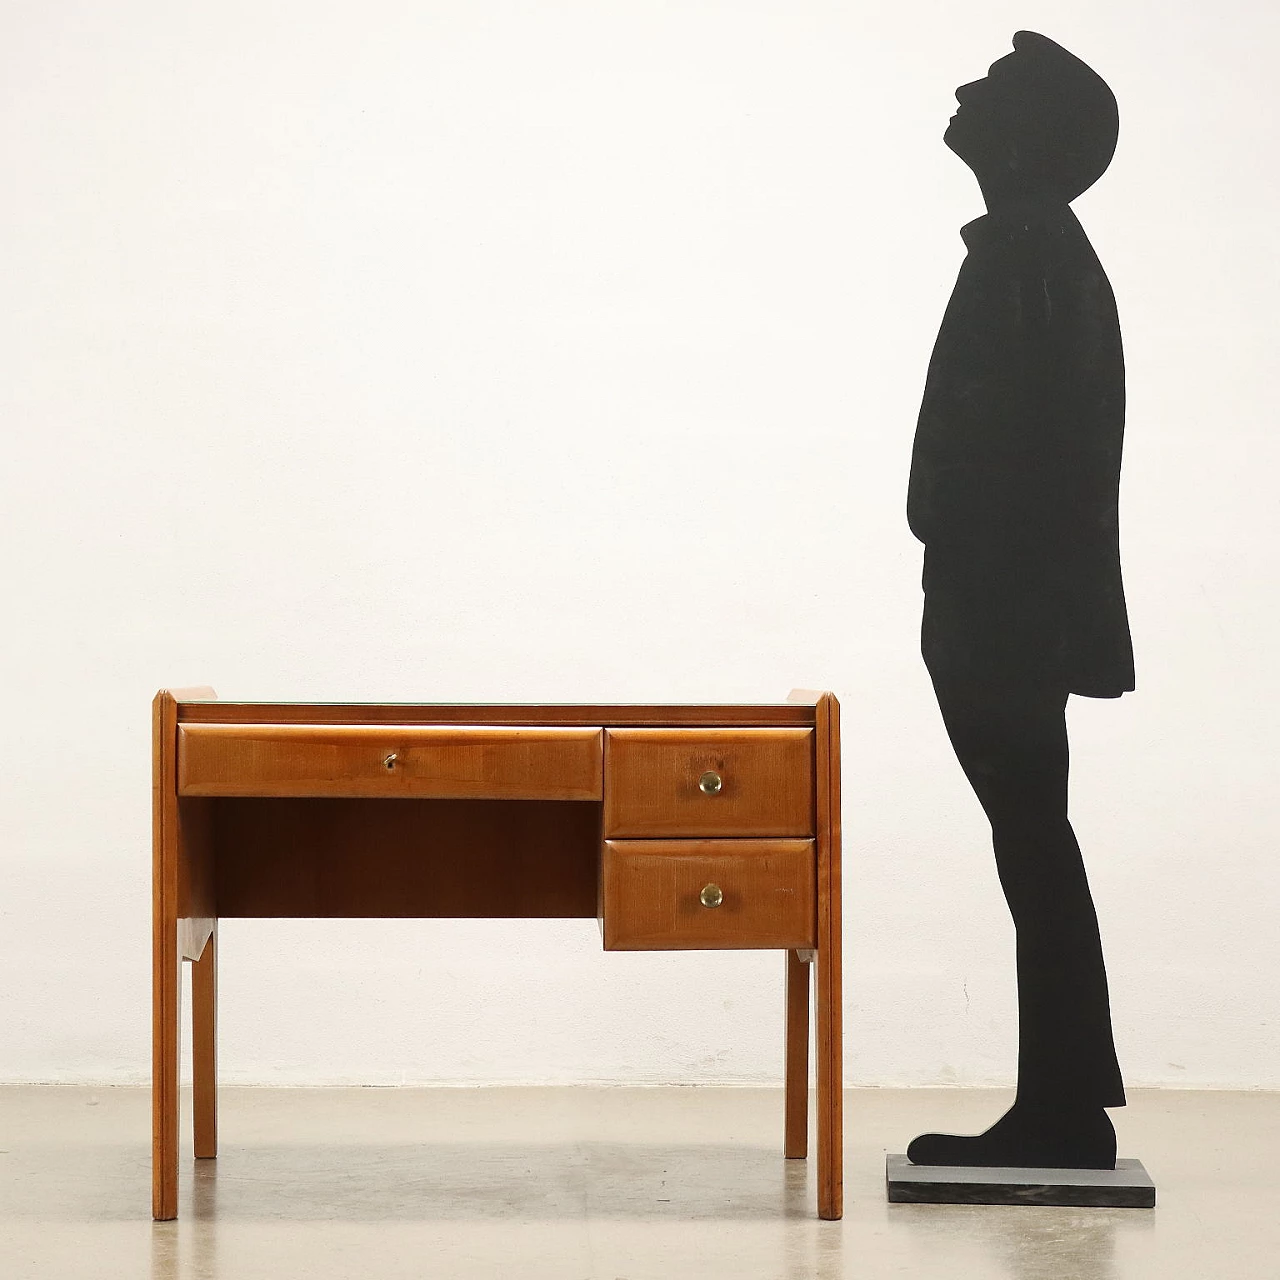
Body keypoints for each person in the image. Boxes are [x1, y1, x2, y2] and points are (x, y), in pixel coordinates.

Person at [906, 30, 1133, 1169]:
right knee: (1031, 842)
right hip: (998, 604)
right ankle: (1062, 1099)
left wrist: (972, 581)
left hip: (1001, 610)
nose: (961, 90)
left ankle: (1062, 1106)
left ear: (1029, 133)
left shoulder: (1031, 258)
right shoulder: (1033, 252)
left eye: (991, 87)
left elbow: (1042, 460)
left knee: (1032, 843)